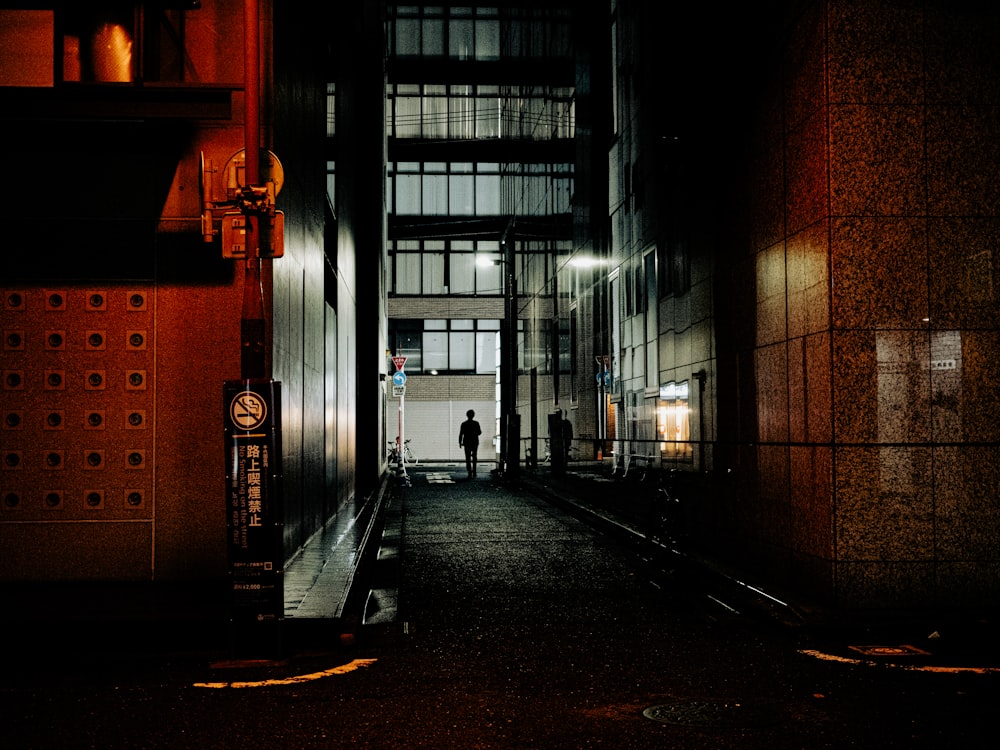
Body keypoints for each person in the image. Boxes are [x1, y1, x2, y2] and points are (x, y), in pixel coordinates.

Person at [458, 409, 482, 479]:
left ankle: (469, 472)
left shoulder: (464, 424)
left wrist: (459, 442)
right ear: (473, 415)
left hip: (467, 442)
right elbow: (479, 432)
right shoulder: (476, 423)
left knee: (467, 458)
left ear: (467, 415)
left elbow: (461, 434)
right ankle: (474, 472)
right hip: (475, 442)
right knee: (474, 457)